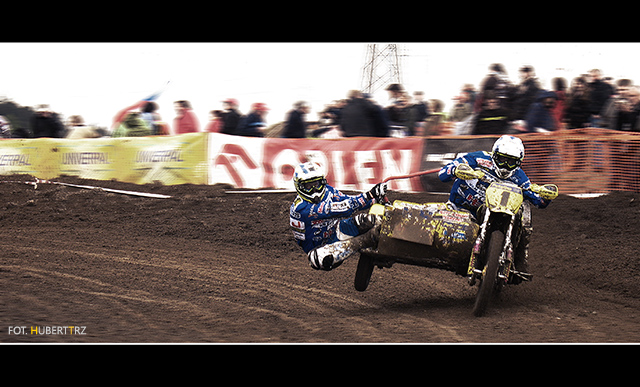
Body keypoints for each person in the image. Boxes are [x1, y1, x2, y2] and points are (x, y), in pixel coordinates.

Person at [438, 135, 554, 282]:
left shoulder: (519, 177)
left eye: (511, 162)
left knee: (523, 213)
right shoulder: (477, 159)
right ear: (494, 155)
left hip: (494, 214)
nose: (505, 165)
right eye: (502, 159)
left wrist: (546, 196)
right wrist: (455, 170)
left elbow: (539, 202)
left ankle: (519, 259)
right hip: (460, 208)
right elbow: (442, 174)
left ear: (518, 163)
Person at [290, 161, 387, 271]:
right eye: (309, 186)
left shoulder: (328, 191)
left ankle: (387, 245)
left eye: (316, 184)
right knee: (320, 259)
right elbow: (340, 208)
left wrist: (374, 200)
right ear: (300, 187)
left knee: (370, 220)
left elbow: (348, 200)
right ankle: (364, 240)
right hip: (319, 248)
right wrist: (369, 195)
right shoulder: (301, 208)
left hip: (336, 231)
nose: (314, 190)